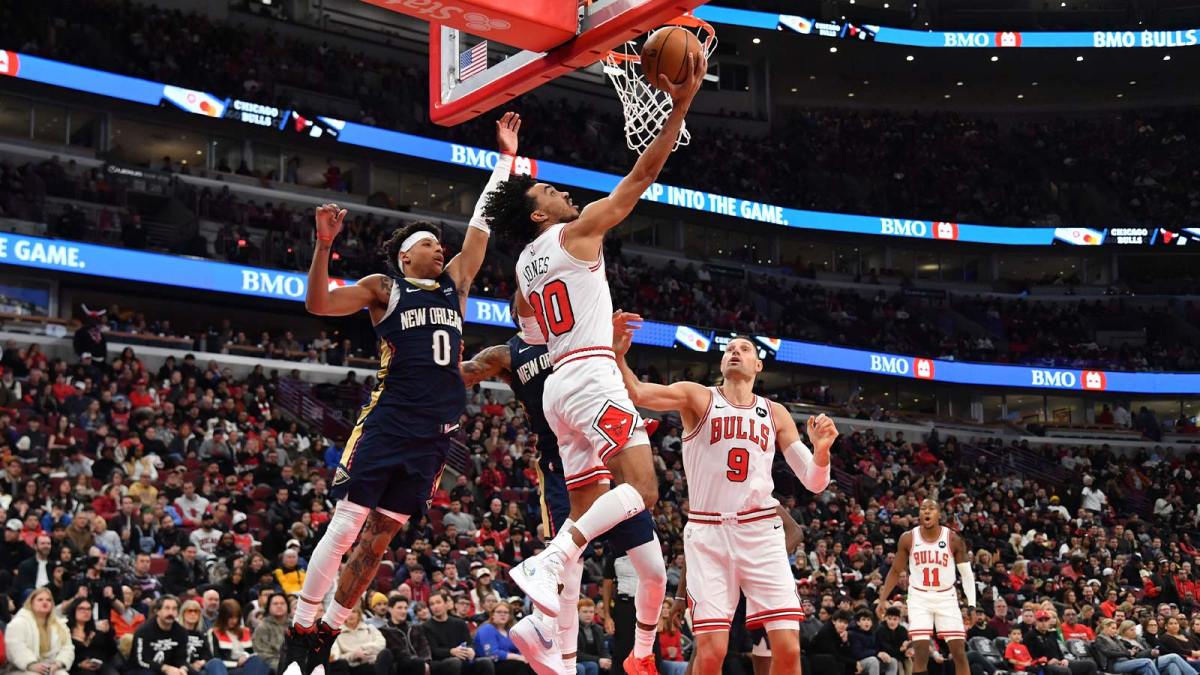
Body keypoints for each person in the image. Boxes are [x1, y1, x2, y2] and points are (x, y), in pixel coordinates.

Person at [482, 52, 706, 675]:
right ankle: (552, 562)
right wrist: (681, 105)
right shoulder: (576, 232)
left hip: (558, 389)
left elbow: (532, 327)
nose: (560, 191)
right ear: (539, 215)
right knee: (645, 488)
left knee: (585, 510)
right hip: (588, 376)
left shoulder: (523, 272)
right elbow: (642, 175)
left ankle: (545, 629)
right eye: (549, 191)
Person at [280, 112, 518, 675]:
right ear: (406, 255)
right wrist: (322, 246)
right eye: (430, 244)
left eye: (442, 245)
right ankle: (301, 626)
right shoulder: (384, 288)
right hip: (389, 421)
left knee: (381, 538)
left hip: (435, 435)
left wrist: (505, 159)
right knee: (345, 525)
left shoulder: (456, 285)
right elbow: (317, 304)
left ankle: (328, 631)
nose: (442, 249)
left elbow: (483, 223)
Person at [614, 328, 838, 674]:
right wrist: (618, 354)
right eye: (729, 348)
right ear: (721, 361)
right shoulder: (697, 396)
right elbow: (638, 392)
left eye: (744, 349)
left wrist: (821, 452)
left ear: (758, 365)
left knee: (789, 649)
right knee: (710, 653)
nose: (735, 352)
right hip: (709, 533)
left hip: (760, 532)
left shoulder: (774, 412)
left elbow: (813, 480)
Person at [459, 308, 659, 675]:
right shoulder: (508, 353)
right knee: (572, 568)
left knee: (650, 567)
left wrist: (612, 346)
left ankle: (638, 653)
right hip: (560, 460)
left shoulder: (576, 334)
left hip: (605, 449)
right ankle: (560, 660)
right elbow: (465, 374)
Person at [877, 500, 975, 675]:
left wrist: (972, 605)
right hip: (919, 597)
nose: (927, 512)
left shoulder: (953, 539)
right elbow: (895, 570)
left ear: (939, 514)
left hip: (946, 597)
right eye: (923, 509)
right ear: (919, 514)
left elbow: (967, 575)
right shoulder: (908, 538)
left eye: (931, 509)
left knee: (959, 652)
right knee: (920, 652)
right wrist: (882, 599)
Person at [5, 588, 74, 675]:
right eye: (40, 600)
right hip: (22, 668)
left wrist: (58, 663)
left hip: (51, 667)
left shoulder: (60, 624)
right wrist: (31, 664)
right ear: (31, 603)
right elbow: (15, 647)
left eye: (48, 600)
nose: (45, 602)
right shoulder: (19, 622)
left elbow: (68, 647)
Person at [423, 592, 495, 675]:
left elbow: (469, 643)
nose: (435, 606)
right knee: (455, 662)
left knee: (485, 662)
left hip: (462, 659)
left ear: (446, 604)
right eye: (432, 604)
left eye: (438, 602)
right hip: (441, 662)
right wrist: (451, 652)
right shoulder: (426, 626)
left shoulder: (459, 623)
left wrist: (471, 650)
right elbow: (434, 651)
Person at [129, 596, 190, 675]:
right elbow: (141, 660)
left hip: (172, 669)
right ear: (157, 611)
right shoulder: (143, 631)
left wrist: (183, 668)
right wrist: (165, 668)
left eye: (174, 609)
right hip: (143, 669)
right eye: (167, 608)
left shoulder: (181, 632)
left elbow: (183, 657)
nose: (171, 613)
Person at [1025, 610, 1098, 675]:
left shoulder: (1051, 634)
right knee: (1064, 671)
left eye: (1046, 620)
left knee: (1090, 665)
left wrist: (1063, 659)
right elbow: (1029, 657)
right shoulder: (1030, 636)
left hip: (1059, 662)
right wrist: (1048, 662)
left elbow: (1058, 651)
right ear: (1035, 622)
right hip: (1043, 665)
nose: (1044, 623)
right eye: (1041, 620)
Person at [207, 599, 270, 675]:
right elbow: (215, 658)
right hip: (226, 669)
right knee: (215, 662)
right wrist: (237, 663)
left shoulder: (246, 631)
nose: (234, 621)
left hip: (247, 668)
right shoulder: (214, 632)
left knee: (260, 659)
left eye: (236, 617)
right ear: (223, 617)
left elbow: (254, 653)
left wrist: (245, 657)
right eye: (230, 617)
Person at [328, 607, 393, 675]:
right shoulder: (337, 634)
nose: (351, 615)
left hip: (373, 661)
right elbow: (336, 657)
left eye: (354, 612)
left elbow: (382, 643)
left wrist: (363, 649)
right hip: (354, 666)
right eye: (347, 612)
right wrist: (353, 655)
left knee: (386, 653)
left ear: (359, 615)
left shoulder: (369, 628)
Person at [1119, 620, 1196, 675]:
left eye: (1135, 629)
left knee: (1172, 666)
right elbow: (1133, 656)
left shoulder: (1139, 639)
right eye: (1131, 630)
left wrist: (1152, 652)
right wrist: (1151, 652)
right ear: (1124, 631)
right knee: (1174, 656)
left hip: (1154, 659)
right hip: (1143, 663)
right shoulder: (1122, 642)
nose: (1134, 632)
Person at [380, 597, 432, 675]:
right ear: (390, 609)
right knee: (417, 663)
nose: (404, 611)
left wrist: (426, 662)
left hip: (421, 662)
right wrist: (418, 661)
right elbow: (396, 652)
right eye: (399, 608)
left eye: (405, 608)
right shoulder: (384, 630)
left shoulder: (415, 627)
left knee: (451, 664)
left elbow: (424, 646)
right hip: (400, 666)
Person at [473, 604, 530, 674]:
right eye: (499, 612)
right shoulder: (487, 629)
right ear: (492, 615)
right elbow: (492, 654)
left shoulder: (510, 631)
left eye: (506, 612)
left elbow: (520, 649)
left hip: (510, 662)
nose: (503, 614)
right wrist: (518, 657)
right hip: (492, 664)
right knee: (520, 666)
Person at [252, 593, 291, 675]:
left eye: (282, 603)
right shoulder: (262, 627)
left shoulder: (294, 625)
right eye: (275, 604)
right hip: (273, 668)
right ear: (269, 607)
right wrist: (284, 667)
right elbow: (262, 654)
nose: (279, 606)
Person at [811, 610, 858, 675]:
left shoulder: (841, 632)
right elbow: (833, 654)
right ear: (834, 621)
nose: (842, 625)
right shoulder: (826, 632)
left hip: (829, 659)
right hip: (816, 660)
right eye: (840, 621)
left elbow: (844, 653)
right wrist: (854, 663)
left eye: (845, 623)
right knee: (840, 664)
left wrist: (845, 642)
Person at [852, 611, 898, 675]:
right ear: (858, 622)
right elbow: (858, 654)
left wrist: (883, 655)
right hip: (859, 663)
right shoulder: (853, 634)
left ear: (871, 623)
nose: (866, 622)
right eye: (863, 619)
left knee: (892, 661)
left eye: (868, 620)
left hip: (874, 660)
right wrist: (877, 653)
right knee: (873, 661)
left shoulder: (873, 634)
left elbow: (878, 648)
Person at [575, 599, 611, 675]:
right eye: (585, 612)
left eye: (591, 612)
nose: (588, 614)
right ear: (577, 613)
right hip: (577, 661)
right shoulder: (573, 629)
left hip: (594, 660)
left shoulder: (598, 629)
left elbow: (603, 649)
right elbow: (576, 654)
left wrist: (608, 659)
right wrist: (598, 660)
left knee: (613, 664)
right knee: (592, 666)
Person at [655, 600, 686, 675]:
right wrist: (667, 651)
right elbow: (654, 652)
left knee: (686, 667)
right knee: (684, 667)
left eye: (668, 608)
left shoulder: (676, 630)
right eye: (663, 608)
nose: (665, 610)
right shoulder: (656, 630)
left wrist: (679, 661)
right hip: (660, 662)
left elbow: (679, 652)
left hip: (675, 662)